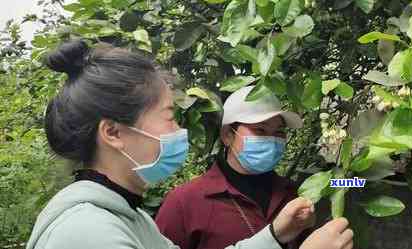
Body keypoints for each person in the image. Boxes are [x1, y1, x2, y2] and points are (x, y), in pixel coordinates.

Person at [26, 40, 354, 249]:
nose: (179, 129)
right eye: (169, 116)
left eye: (278, 132)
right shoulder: (90, 232)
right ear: (113, 132)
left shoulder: (132, 217)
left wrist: (273, 236)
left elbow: (345, 181)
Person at [155, 86, 314, 249]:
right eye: (260, 130)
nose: (272, 140)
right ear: (227, 135)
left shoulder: (294, 194)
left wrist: (340, 182)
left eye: (279, 132)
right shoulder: (185, 202)